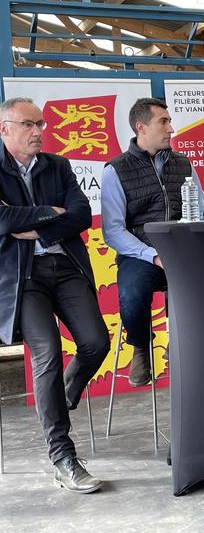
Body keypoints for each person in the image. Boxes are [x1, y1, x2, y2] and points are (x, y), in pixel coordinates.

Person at [0, 97, 109, 493]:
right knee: (46, 352)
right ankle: (63, 456)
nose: (38, 132)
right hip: (22, 277)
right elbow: (1, 220)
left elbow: (81, 215)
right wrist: (52, 212)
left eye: (41, 124)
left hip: (65, 269)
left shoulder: (58, 165)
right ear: (5, 128)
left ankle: (62, 396)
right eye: (29, 125)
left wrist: (35, 225)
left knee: (97, 342)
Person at [102, 98, 204, 387]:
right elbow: (112, 230)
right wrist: (152, 255)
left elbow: (200, 208)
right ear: (141, 127)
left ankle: (183, 348)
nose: (171, 128)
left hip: (182, 251)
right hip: (140, 254)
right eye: (163, 122)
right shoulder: (116, 169)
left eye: (170, 121)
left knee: (201, 291)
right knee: (132, 295)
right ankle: (140, 346)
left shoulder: (183, 163)